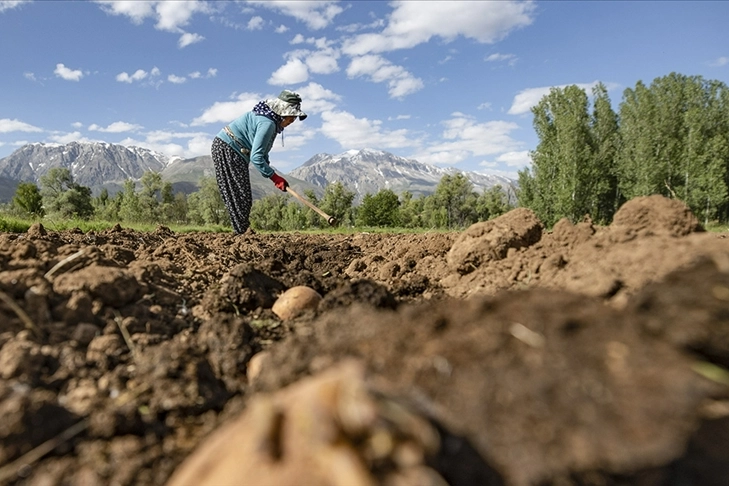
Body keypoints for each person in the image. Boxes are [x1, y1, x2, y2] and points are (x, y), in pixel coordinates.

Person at [211, 89, 307, 234]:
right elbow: (256, 157)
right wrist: (274, 177)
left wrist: (271, 173)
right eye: (291, 117)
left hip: (235, 150)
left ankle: (241, 232)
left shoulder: (271, 121)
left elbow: (262, 152)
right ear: (282, 112)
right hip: (228, 148)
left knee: (243, 196)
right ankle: (241, 234)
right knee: (240, 196)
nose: (291, 121)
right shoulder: (267, 123)